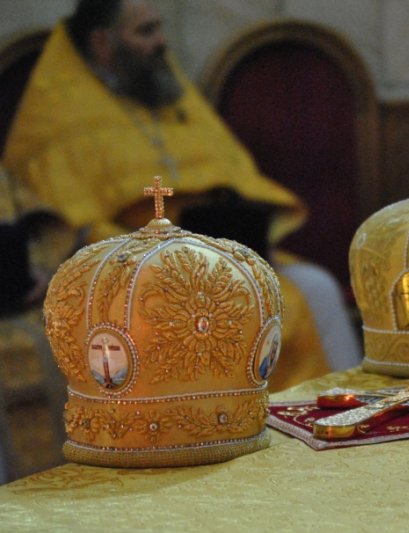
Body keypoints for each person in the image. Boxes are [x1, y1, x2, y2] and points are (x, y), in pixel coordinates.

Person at [3, 0, 362, 388]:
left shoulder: (166, 93)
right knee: (252, 304)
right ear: (103, 43)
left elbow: (232, 173)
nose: (161, 41)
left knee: (317, 287)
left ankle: (345, 411)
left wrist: (243, 230)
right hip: (135, 269)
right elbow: (68, 223)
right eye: (145, 31)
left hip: (217, 250)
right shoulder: (58, 115)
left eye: (159, 27)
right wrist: (163, 260)